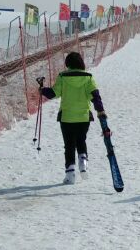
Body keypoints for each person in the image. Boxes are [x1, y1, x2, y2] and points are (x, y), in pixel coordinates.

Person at [39, 51, 105, 184]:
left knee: (69, 145)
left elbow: (53, 94)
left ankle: (70, 176)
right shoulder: (88, 77)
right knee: (81, 141)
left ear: (68, 64)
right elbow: (95, 96)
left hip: (67, 118)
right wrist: (101, 111)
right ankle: (83, 164)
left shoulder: (63, 77)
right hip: (83, 117)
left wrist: (42, 90)